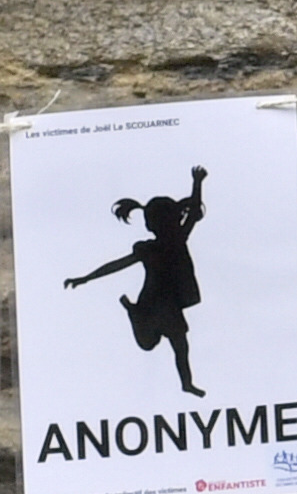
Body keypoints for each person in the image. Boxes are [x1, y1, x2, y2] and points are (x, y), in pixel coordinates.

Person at [63, 169, 207, 396]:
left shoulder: (178, 238)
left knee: (181, 344)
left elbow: (194, 211)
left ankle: (186, 383)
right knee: (149, 345)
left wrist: (197, 183)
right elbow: (117, 265)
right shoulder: (149, 249)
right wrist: (86, 278)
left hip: (170, 304)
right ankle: (133, 312)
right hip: (150, 303)